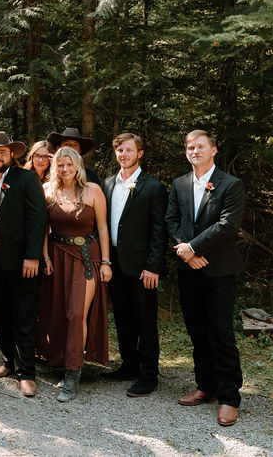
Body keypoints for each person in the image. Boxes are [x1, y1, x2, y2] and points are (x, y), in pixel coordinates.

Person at [166, 130, 245, 427]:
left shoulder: (231, 184)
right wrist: (185, 252)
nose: (194, 151)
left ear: (213, 150)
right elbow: (171, 221)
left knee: (220, 332)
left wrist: (194, 247)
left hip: (219, 269)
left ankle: (228, 397)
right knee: (197, 330)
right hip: (189, 269)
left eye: (200, 147)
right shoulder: (180, 184)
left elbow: (228, 225)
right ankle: (205, 386)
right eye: (189, 147)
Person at [0, 132, 48, 398]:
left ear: (11, 155)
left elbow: (38, 219)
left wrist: (32, 256)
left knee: (23, 315)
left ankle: (27, 373)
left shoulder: (25, 179)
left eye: (2, 152)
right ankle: (8, 362)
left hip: (21, 260)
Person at [37, 146, 111, 402]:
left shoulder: (93, 191)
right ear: (54, 167)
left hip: (86, 257)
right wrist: (45, 257)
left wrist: (106, 262)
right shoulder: (48, 192)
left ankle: (73, 372)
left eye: (70, 164)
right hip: (56, 255)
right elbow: (42, 229)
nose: (65, 169)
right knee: (58, 310)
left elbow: (102, 228)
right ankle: (59, 358)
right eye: (60, 165)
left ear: (78, 165)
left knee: (77, 312)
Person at [100, 133, 168, 397]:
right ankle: (129, 365)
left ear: (140, 153)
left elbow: (158, 231)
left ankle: (149, 374)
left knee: (145, 321)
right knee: (122, 316)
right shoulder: (108, 184)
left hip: (142, 267)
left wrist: (153, 267)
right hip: (114, 262)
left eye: (128, 150)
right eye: (119, 150)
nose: (123, 155)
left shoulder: (153, 187)